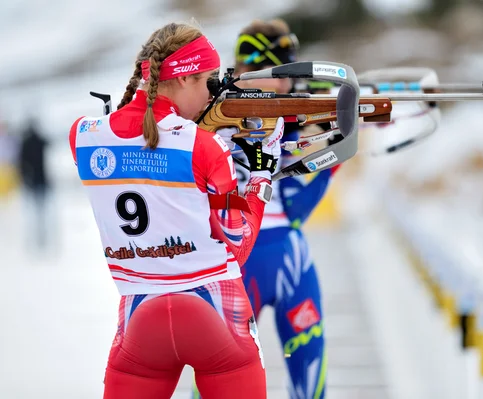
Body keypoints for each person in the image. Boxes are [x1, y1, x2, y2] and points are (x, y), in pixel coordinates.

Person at [69, 22, 284, 399]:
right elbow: (238, 243)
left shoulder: (82, 136)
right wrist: (262, 174)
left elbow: (142, 148)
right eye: (209, 82)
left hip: (139, 315)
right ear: (184, 79)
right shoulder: (204, 148)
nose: (212, 95)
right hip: (217, 311)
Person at [193, 19, 340, 399]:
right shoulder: (209, 114)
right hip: (233, 265)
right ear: (257, 67)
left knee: (310, 385)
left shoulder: (284, 114)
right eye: (284, 72)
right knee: (217, 387)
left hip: (280, 260)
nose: (290, 85)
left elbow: (293, 210)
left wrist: (333, 149)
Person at [18, 118, 49, 249]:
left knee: (34, 211)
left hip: (32, 180)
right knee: (41, 211)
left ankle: (37, 237)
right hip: (41, 179)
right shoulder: (39, 141)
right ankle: (40, 236)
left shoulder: (25, 143)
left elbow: (21, 163)